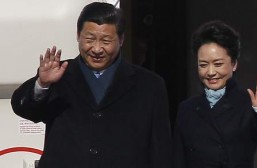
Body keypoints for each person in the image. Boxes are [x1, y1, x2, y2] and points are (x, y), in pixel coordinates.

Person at [11, 2, 171, 168]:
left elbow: (160, 150)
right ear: (78, 35)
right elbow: (24, 109)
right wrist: (42, 84)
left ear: (121, 40)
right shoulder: (58, 75)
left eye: (106, 41)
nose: (96, 49)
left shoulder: (149, 85)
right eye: (89, 39)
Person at [173, 20, 257, 168]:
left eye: (218, 64)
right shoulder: (187, 109)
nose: (211, 72)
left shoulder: (248, 103)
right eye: (203, 65)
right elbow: (176, 160)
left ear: (234, 64)